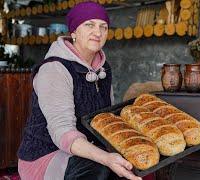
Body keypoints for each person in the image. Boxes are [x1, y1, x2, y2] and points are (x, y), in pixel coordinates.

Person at [17, 1, 142, 180]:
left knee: (123, 168)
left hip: (88, 151)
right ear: (74, 31)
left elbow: (107, 119)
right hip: (47, 154)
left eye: (103, 27)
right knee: (100, 170)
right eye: (89, 25)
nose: (97, 32)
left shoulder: (104, 69)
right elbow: (63, 132)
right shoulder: (55, 69)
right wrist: (106, 158)